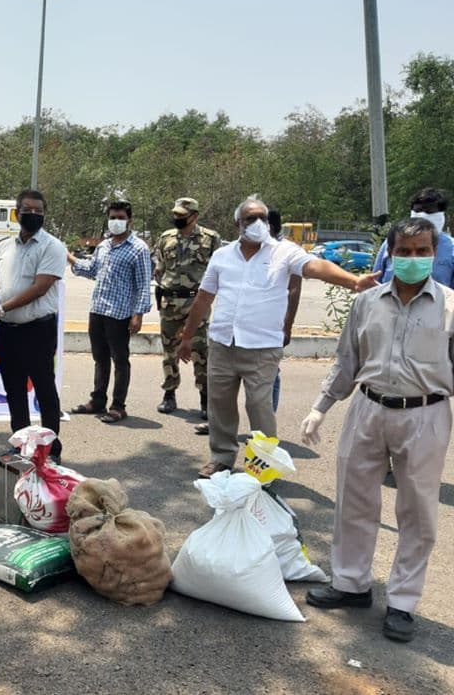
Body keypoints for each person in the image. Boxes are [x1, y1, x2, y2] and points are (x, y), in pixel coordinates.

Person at [300, 218, 452, 643]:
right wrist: (320, 407)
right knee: (354, 498)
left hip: (425, 414)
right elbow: (346, 360)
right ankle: (351, 584)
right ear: (390, 254)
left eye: (423, 252)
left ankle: (402, 602)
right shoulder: (366, 303)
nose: (413, 259)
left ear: (434, 255)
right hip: (368, 408)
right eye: (405, 251)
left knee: (418, 512)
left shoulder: (450, 306)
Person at [176, 195, 380, 479]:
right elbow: (204, 298)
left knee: (259, 407)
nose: (258, 223)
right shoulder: (222, 256)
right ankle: (221, 458)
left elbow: (315, 267)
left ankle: (263, 468)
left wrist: (354, 281)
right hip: (223, 344)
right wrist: (186, 338)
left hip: (262, 348)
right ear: (238, 223)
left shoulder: (284, 252)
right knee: (220, 405)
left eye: (263, 218)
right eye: (251, 218)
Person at [0, 189, 68, 462]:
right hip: (7, 330)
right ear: (17, 213)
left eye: (39, 212)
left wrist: (1, 308)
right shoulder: (4, 247)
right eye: (28, 210)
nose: (33, 215)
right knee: (14, 388)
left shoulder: (52, 246)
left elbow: (40, 288)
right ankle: (21, 444)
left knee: (44, 388)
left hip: (37, 330)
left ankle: (50, 448)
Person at [67, 201, 152, 423]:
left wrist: (138, 314)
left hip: (120, 313)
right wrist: (69, 257)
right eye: (112, 217)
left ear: (129, 220)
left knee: (120, 360)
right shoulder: (104, 246)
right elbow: (91, 269)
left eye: (120, 217)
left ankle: (118, 406)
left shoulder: (139, 248)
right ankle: (97, 400)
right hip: (98, 310)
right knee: (100, 358)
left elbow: (144, 284)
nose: (116, 221)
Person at [152, 197, 221, 419]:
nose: (177, 219)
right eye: (176, 215)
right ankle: (169, 394)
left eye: (182, 216)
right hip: (170, 304)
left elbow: (218, 271)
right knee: (169, 352)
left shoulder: (210, 239)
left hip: (196, 304)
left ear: (195, 216)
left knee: (201, 352)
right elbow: (159, 268)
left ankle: (205, 398)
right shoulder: (166, 238)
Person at [371, 188, 454, 287]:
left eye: (429, 211)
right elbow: (375, 279)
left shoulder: (451, 248)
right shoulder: (393, 241)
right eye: (418, 210)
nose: (422, 215)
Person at [268, 207, 302, 413]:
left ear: (269, 226)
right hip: (244, 325)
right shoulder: (252, 248)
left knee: (270, 373)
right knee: (231, 375)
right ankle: (222, 423)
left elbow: (294, 290)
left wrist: (287, 326)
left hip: (273, 325)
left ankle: (264, 428)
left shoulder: (290, 251)